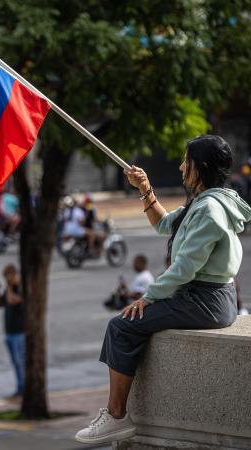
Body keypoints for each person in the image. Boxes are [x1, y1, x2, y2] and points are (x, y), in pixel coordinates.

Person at [76, 135, 251, 444]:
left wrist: (148, 297)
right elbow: (164, 224)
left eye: (188, 162)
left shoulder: (209, 210)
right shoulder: (206, 201)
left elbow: (184, 268)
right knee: (127, 324)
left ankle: (116, 415)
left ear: (202, 167)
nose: (182, 167)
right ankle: (115, 414)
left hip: (205, 299)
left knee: (121, 326)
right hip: (203, 296)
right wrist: (145, 189)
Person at [0, 264, 25, 398]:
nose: (7, 279)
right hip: (9, 331)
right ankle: (20, 387)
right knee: (15, 363)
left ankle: (23, 388)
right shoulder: (8, 290)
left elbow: (12, 301)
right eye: (5, 276)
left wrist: (9, 287)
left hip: (19, 332)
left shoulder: (19, 288)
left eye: (9, 276)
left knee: (20, 361)